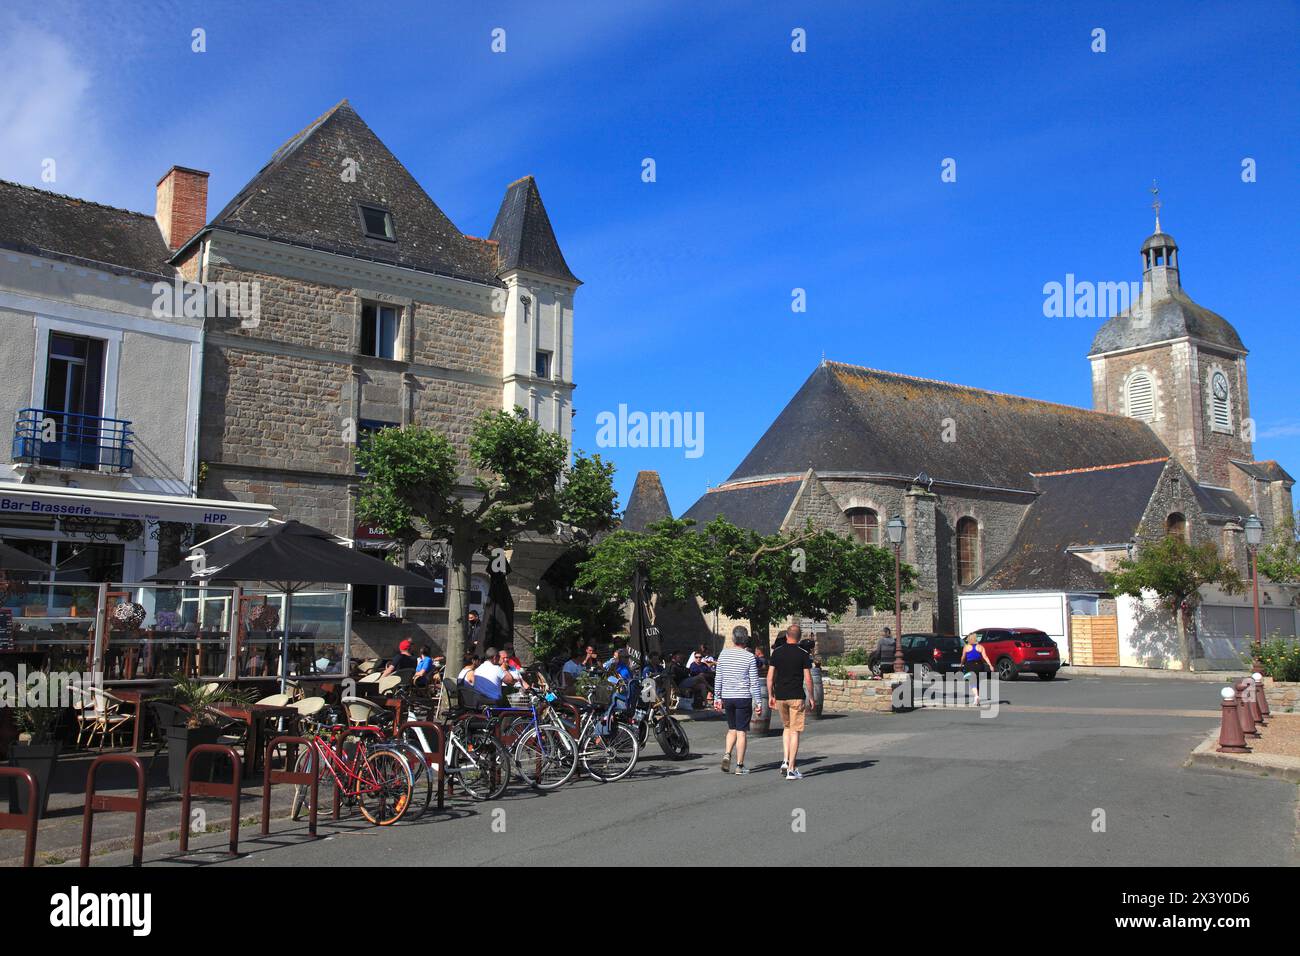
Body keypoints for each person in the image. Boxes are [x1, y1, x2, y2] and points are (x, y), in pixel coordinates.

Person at [713, 626, 765, 775]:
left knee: (732, 729)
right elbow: (754, 682)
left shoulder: (723, 654)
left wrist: (717, 697)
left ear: (733, 638)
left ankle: (727, 753)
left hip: (728, 696)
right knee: (741, 732)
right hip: (743, 696)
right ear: (746, 639)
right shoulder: (749, 657)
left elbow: (719, 678)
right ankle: (739, 766)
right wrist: (759, 702)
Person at [768, 623, 814, 780]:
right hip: (796, 695)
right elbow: (808, 678)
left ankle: (785, 760)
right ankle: (792, 769)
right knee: (795, 730)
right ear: (799, 638)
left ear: (787, 636)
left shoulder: (777, 652)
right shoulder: (803, 653)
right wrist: (812, 697)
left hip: (780, 695)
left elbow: (770, 676)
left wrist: (770, 695)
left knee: (786, 727)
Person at [961, 633, 993, 705]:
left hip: (970, 665)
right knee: (977, 681)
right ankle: (977, 700)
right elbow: (985, 657)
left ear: (969, 639)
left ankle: (976, 696)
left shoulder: (966, 647)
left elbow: (963, 657)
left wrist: (961, 663)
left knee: (972, 681)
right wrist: (990, 665)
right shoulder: (980, 647)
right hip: (979, 665)